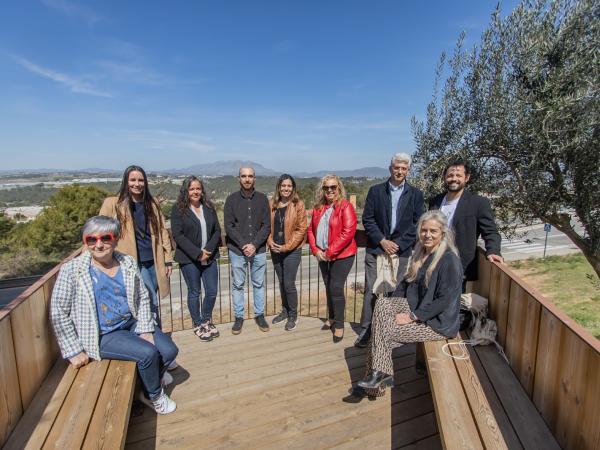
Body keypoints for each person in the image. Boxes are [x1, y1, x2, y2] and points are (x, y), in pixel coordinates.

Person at [50, 216, 179, 414]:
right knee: (148, 353)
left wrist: (144, 328)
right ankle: (153, 395)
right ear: (85, 242)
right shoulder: (72, 270)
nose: (99, 244)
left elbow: (142, 298)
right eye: (91, 239)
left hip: (130, 322)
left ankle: (154, 377)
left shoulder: (127, 262)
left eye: (105, 238)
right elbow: (59, 311)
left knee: (169, 351)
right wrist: (73, 350)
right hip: (102, 334)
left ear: (116, 239)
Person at [345, 210, 463, 402]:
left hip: (437, 324)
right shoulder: (421, 252)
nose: (427, 235)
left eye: (433, 231)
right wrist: (393, 306)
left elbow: (445, 300)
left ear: (443, 233)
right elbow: (406, 284)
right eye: (424, 230)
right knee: (382, 304)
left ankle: (374, 381)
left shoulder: (449, 259)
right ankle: (378, 375)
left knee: (380, 331)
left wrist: (412, 317)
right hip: (417, 307)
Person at [355, 152, 424, 348]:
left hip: (401, 252)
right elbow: (367, 219)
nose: (399, 171)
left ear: (408, 171)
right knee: (371, 291)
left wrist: (399, 244)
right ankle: (367, 330)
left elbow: (417, 223)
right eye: (396, 167)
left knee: (396, 291)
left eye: (403, 168)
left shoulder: (416, 195)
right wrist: (382, 241)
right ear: (390, 168)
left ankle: (390, 331)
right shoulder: (375, 191)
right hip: (376, 249)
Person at [99, 165, 173, 329]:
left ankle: (151, 332)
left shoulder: (151, 203)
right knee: (149, 299)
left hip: (154, 261)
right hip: (130, 262)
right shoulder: (113, 204)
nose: (137, 184)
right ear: (126, 181)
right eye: (133, 180)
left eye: (140, 180)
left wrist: (168, 259)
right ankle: (154, 334)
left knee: (151, 300)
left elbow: (162, 232)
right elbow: (99, 230)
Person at [428, 159, 503, 287]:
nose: (454, 179)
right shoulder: (435, 201)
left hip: (459, 266)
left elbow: (490, 231)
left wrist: (493, 251)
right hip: (433, 262)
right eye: (450, 175)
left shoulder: (478, 203)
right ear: (445, 177)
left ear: (466, 178)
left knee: (452, 305)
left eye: (458, 175)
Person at [171, 176, 221, 342]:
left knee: (212, 291)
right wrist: (197, 253)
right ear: (186, 191)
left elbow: (217, 231)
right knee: (195, 292)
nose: (195, 192)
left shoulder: (209, 206)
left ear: (202, 190)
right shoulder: (178, 209)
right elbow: (178, 235)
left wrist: (208, 250)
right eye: (192, 189)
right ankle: (197, 323)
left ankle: (206, 319)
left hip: (210, 256)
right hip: (189, 259)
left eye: (198, 188)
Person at [307, 174, 357, 343]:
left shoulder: (345, 206)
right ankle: (333, 317)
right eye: (326, 187)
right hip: (322, 255)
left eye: (333, 187)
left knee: (335, 287)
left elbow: (348, 232)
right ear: (322, 189)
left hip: (342, 255)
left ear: (339, 188)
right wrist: (315, 250)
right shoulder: (318, 208)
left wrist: (329, 252)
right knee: (328, 286)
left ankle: (340, 325)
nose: (329, 190)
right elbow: (310, 231)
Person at [224, 166, 271, 335]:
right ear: (239, 178)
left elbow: (266, 226)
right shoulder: (231, 200)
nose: (247, 179)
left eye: (250, 176)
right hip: (237, 251)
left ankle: (259, 315)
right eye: (244, 176)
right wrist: (245, 245)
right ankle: (239, 317)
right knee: (238, 285)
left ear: (255, 178)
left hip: (258, 251)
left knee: (258, 284)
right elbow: (228, 226)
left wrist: (254, 245)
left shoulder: (263, 199)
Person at [267, 174, 308, 331]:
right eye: (283, 185)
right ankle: (284, 311)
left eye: (289, 186)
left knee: (289, 283)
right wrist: (269, 241)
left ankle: (293, 315)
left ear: (293, 187)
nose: (286, 188)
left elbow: (301, 229)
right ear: (279, 187)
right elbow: (265, 225)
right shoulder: (272, 203)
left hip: (292, 250)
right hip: (275, 249)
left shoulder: (298, 204)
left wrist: (286, 247)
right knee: (282, 281)